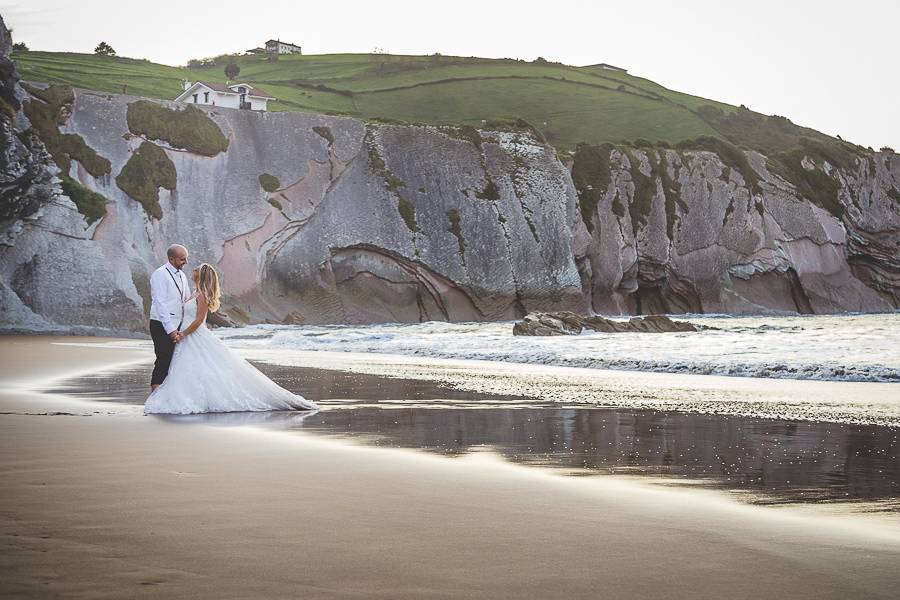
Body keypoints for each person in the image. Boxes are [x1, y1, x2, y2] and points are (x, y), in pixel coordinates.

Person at [144, 263, 317, 415]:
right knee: (190, 367)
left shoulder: (202, 295)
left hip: (193, 335)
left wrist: (183, 334)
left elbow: (198, 321)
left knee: (202, 367)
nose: (193, 270)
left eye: (196, 269)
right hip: (186, 336)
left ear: (202, 275)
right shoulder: (194, 292)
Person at [148, 244, 190, 390]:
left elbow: (186, 300)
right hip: (161, 323)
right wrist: (170, 330)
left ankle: (167, 394)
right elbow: (160, 304)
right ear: (171, 259)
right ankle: (155, 397)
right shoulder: (160, 274)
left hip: (178, 324)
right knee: (163, 360)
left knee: (174, 361)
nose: (185, 262)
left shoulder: (182, 275)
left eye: (186, 258)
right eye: (182, 259)